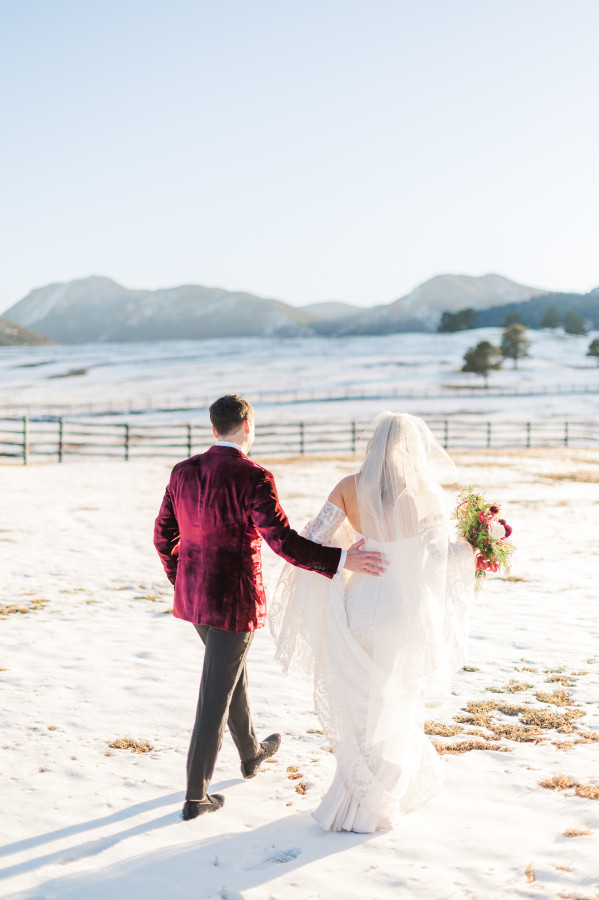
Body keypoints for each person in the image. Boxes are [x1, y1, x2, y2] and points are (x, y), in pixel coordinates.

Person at [153, 394, 385, 821]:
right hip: (233, 603)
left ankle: (251, 754)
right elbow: (281, 541)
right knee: (214, 697)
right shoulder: (253, 475)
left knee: (229, 675)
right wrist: (338, 560)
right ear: (246, 425)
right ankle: (195, 795)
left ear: (213, 428)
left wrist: (181, 578)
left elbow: (162, 536)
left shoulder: (182, 471)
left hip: (195, 598)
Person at [269, 411, 476, 832]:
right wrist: (473, 549)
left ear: (374, 443)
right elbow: (437, 561)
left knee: (361, 706)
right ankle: (380, 801)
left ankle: (352, 801)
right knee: (393, 702)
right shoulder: (426, 495)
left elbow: (311, 541)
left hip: (360, 606)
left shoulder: (349, 487)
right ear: (412, 447)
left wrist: (347, 553)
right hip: (402, 613)